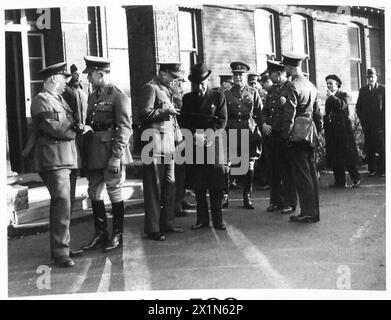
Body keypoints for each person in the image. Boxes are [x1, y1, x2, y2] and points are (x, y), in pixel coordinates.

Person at [22, 62, 81, 267]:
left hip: (66, 158)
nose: (66, 83)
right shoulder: (41, 100)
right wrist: (76, 130)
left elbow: (69, 121)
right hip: (53, 159)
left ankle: (62, 246)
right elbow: (54, 128)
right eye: (63, 79)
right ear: (53, 80)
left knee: (65, 205)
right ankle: (60, 252)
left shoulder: (60, 99)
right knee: (62, 203)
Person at [79, 56, 133, 252]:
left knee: (114, 190)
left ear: (100, 74)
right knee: (94, 192)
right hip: (94, 151)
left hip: (111, 152)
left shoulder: (118, 96)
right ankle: (100, 235)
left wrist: (116, 156)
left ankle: (117, 235)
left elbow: (125, 128)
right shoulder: (93, 96)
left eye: (91, 74)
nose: (88, 78)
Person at [139, 62, 185, 241]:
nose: (174, 80)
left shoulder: (166, 90)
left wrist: (177, 133)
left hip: (168, 145)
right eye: (173, 77)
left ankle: (168, 223)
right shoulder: (150, 88)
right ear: (163, 74)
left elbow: (172, 117)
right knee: (153, 187)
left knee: (169, 186)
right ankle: (153, 228)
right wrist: (165, 111)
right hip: (154, 144)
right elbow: (144, 114)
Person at [179, 63, 228, 230]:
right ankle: (202, 220)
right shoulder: (188, 99)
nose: (200, 86)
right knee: (199, 186)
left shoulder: (218, 97)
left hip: (213, 144)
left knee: (216, 185)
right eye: (197, 83)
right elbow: (183, 122)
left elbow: (221, 120)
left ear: (208, 80)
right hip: (196, 144)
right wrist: (193, 135)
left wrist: (209, 134)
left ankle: (218, 220)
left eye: (203, 82)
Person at [280, 52, 322, 223]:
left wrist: (285, 135)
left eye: (285, 66)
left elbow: (289, 114)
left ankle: (307, 212)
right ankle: (314, 211)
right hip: (309, 132)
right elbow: (318, 114)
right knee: (311, 173)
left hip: (296, 134)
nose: (284, 69)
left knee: (301, 174)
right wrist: (317, 132)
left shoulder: (292, 86)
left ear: (290, 66)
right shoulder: (311, 85)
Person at [225, 61, 263, 209]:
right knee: (228, 165)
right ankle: (225, 195)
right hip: (232, 131)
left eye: (241, 75)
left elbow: (259, 114)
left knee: (248, 166)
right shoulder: (226, 94)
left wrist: (261, 131)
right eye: (235, 75)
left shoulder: (253, 92)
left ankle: (247, 196)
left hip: (249, 131)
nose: (238, 78)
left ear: (245, 76)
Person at [261, 60, 297, 214]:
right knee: (273, 170)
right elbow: (265, 110)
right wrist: (263, 123)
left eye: (272, 74)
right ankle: (276, 201)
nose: (270, 76)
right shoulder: (273, 90)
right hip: (272, 135)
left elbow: (292, 111)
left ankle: (289, 203)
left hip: (284, 135)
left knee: (286, 171)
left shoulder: (290, 88)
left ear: (280, 73)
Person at [324, 74, 360, 188]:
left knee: (347, 156)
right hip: (332, 131)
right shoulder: (329, 97)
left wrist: (332, 97)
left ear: (337, 84)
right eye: (327, 83)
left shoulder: (342, 95)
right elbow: (327, 113)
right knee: (335, 156)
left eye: (331, 83)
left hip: (343, 131)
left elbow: (341, 106)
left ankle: (356, 179)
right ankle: (339, 181)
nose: (329, 85)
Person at [172, 75, 196, 217]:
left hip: (183, 138)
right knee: (177, 173)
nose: (181, 87)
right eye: (179, 84)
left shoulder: (179, 97)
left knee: (183, 172)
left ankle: (180, 199)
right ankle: (176, 204)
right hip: (175, 140)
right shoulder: (173, 98)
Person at [356, 68, 385, 177]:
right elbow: (358, 107)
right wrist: (363, 120)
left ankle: (383, 170)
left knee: (381, 147)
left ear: (376, 77)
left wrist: (383, 122)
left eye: (372, 77)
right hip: (367, 125)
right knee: (370, 148)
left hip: (380, 125)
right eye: (369, 77)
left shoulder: (383, 89)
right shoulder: (362, 90)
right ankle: (372, 169)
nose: (370, 79)